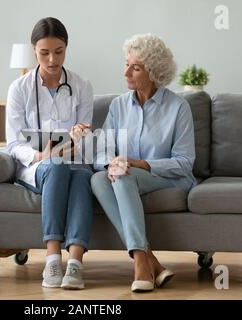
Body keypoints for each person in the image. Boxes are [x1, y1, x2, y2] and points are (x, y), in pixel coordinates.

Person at [91, 34, 197, 292]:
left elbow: (184, 163)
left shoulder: (178, 107)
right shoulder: (118, 106)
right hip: (127, 176)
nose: (126, 72)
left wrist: (138, 163)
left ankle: (141, 261)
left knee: (123, 174)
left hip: (168, 180)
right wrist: (112, 164)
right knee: (98, 178)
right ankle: (149, 260)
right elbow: (101, 153)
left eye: (135, 67)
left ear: (155, 72)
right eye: (126, 64)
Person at [6, 17, 94, 290]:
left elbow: (86, 140)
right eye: (45, 52)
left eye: (58, 52)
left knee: (81, 177)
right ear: (34, 50)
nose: (52, 59)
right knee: (56, 166)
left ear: (66, 48)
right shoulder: (19, 89)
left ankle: (75, 265)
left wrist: (80, 137)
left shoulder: (81, 86)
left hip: (74, 160)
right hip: (38, 166)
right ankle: (53, 258)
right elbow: (13, 143)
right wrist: (40, 157)